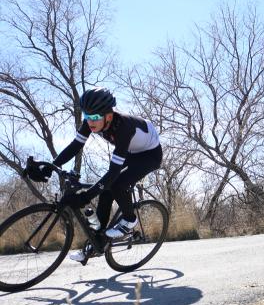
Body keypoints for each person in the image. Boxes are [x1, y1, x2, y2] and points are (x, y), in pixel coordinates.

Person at [25, 87, 162, 262]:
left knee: (117, 184)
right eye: (87, 116)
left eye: (95, 117)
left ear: (109, 116)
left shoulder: (124, 127)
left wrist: (85, 197)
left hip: (149, 155)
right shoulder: (93, 120)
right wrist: (51, 167)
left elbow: (113, 173)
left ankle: (129, 220)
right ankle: (97, 243)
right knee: (105, 193)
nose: (90, 122)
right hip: (131, 152)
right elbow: (75, 146)